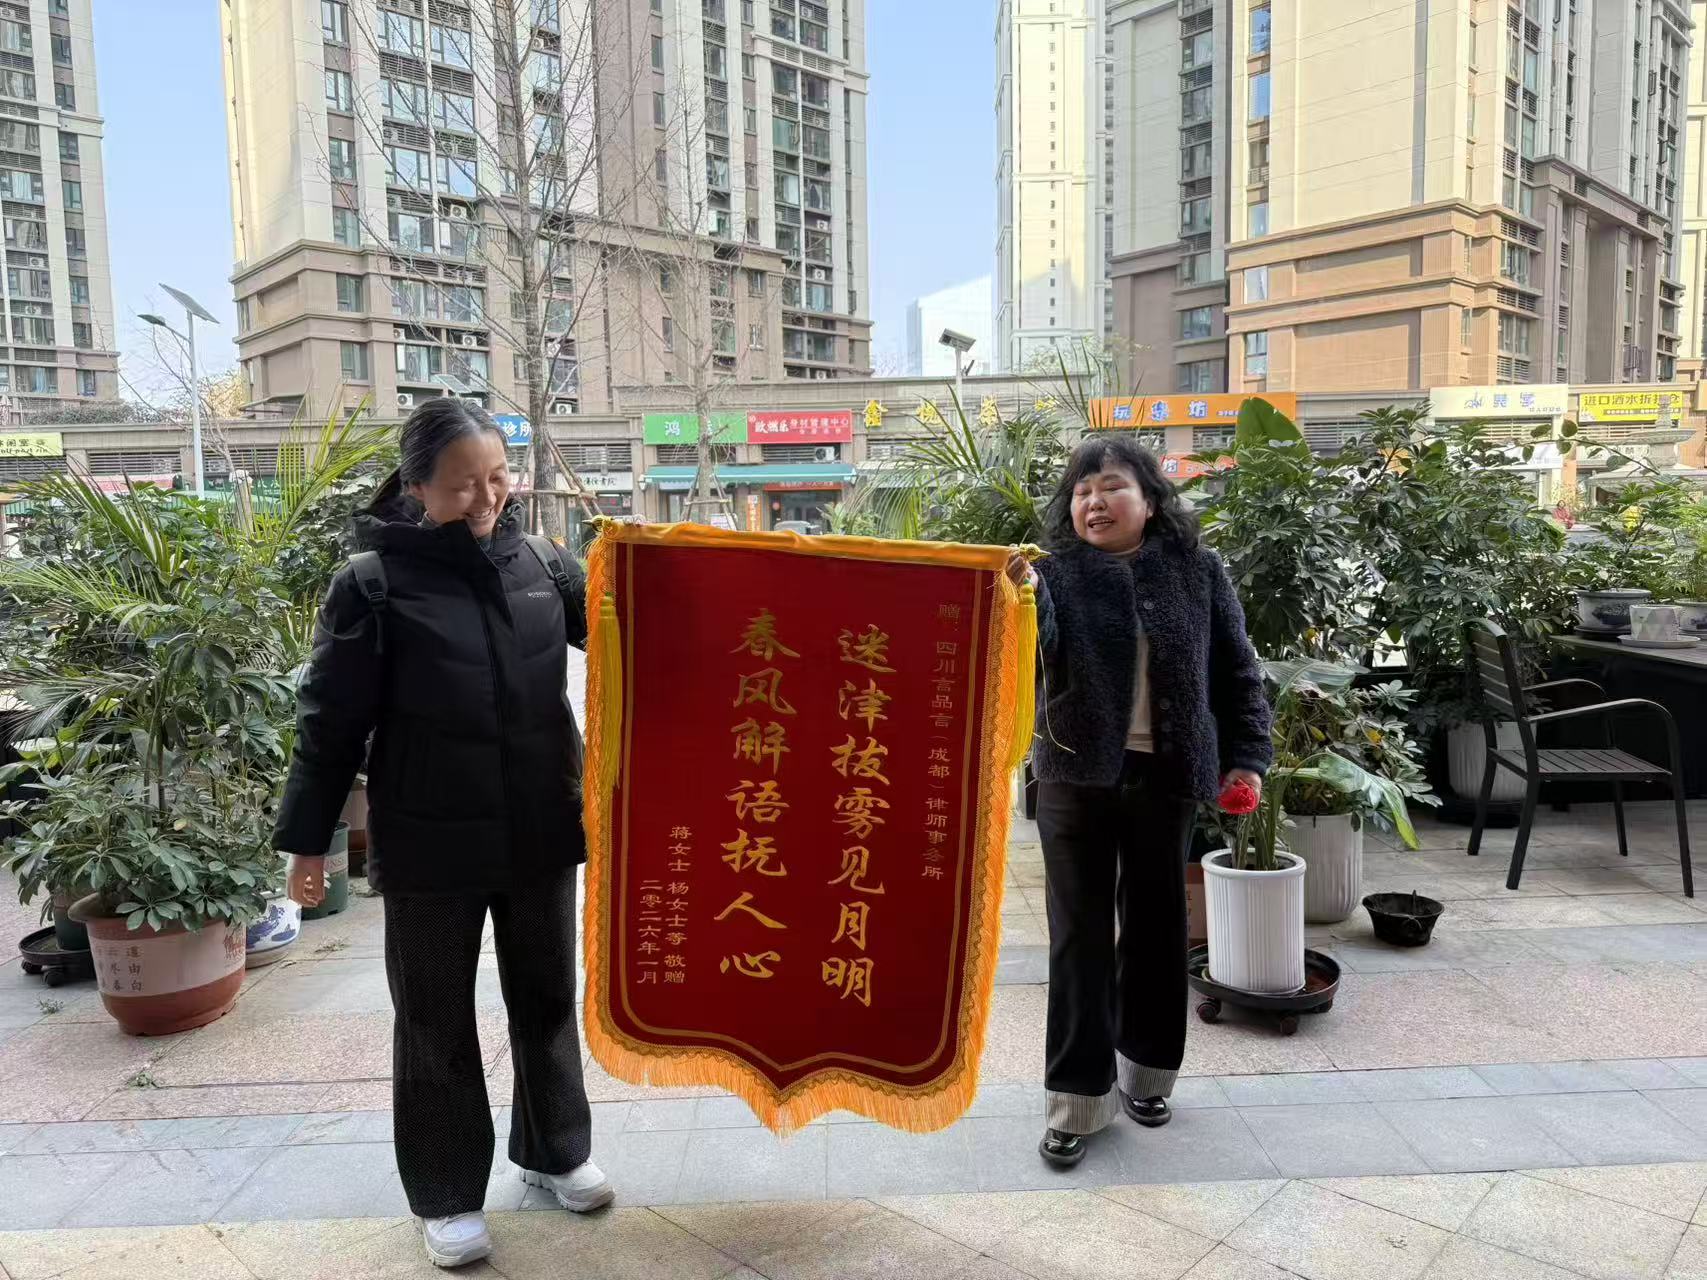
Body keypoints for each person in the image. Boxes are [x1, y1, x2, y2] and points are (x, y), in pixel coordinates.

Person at [274, 400, 612, 1268]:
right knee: (433, 1018)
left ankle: (555, 1152)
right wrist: (307, 846)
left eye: (497, 477)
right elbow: (329, 723)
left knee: (546, 998)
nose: (488, 498)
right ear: (418, 487)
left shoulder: (543, 563)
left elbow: (630, 635)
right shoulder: (372, 584)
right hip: (429, 841)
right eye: (463, 486)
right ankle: (446, 1194)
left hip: (539, 825)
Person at [1016, 434, 1270, 1168]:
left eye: (1111, 487)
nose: (1094, 502)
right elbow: (1030, 655)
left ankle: (1149, 1074)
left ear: (1150, 501)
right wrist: (1013, 597)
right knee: (1079, 939)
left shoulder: (1197, 571)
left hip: (1166, 775)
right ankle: (1076, 1101)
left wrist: (1248, 759)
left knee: (1158, 929)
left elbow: (1236, 671)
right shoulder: (1049, 576)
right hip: (1073, 777)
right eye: (1082, 492)